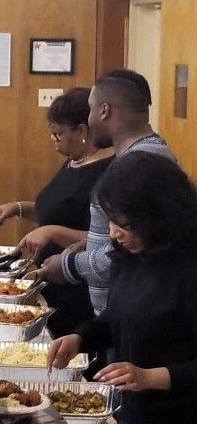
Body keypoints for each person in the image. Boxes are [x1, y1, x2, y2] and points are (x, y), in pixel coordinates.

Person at [47, 152, 197, 424]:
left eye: (125, 223)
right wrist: (80, 337)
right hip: (138, 421)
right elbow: (118, 316)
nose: (114, 233)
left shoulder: (189, 266)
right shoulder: (135, 254)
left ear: (157, 215)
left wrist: (151, 377)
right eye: (112, 221)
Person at [39, 70, 174, 315]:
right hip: (116, 313)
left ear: (104, 111)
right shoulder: (134, 157)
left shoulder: (141, 164)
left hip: (136, 312)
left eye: (90, 110)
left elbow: (134, 250)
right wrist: (87, 243)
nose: (89, 120)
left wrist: (68, 266)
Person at [0, 89, 113, 336]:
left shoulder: (108, 172)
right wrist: (17, 208)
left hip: (79, 289)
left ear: (81, 132)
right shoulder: (73, 161)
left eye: (58, 133)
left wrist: (53, 232)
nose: (53, 139)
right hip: (53, 284)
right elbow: (57, 211)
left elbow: (105, 238)